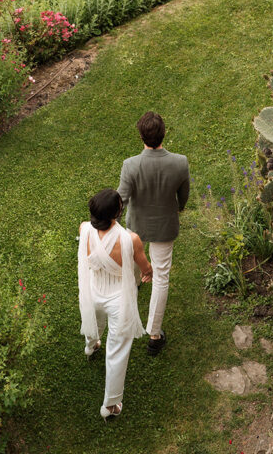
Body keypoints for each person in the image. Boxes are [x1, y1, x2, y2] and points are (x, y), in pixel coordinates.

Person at [118, 111, 190, 356]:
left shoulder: (130, 165)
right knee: (161, 277)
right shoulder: (180, 162)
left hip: (136, 224)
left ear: (141, 137)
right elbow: (183, 197)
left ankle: (135, 284)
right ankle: (154, 335)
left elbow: (122, 200)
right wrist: (177, 208)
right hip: (164, 226)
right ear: (164, 133)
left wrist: (109, 224)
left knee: (131, 262)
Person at [78, 188, 152, 419]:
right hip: (119, 299)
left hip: (94, 291)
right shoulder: (130, 239)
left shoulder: (83, 228)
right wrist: (148, 274)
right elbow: (144, 266)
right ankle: (110, 406)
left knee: (94, 318)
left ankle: (91, 345)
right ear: (117, 212)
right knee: (118, 351)